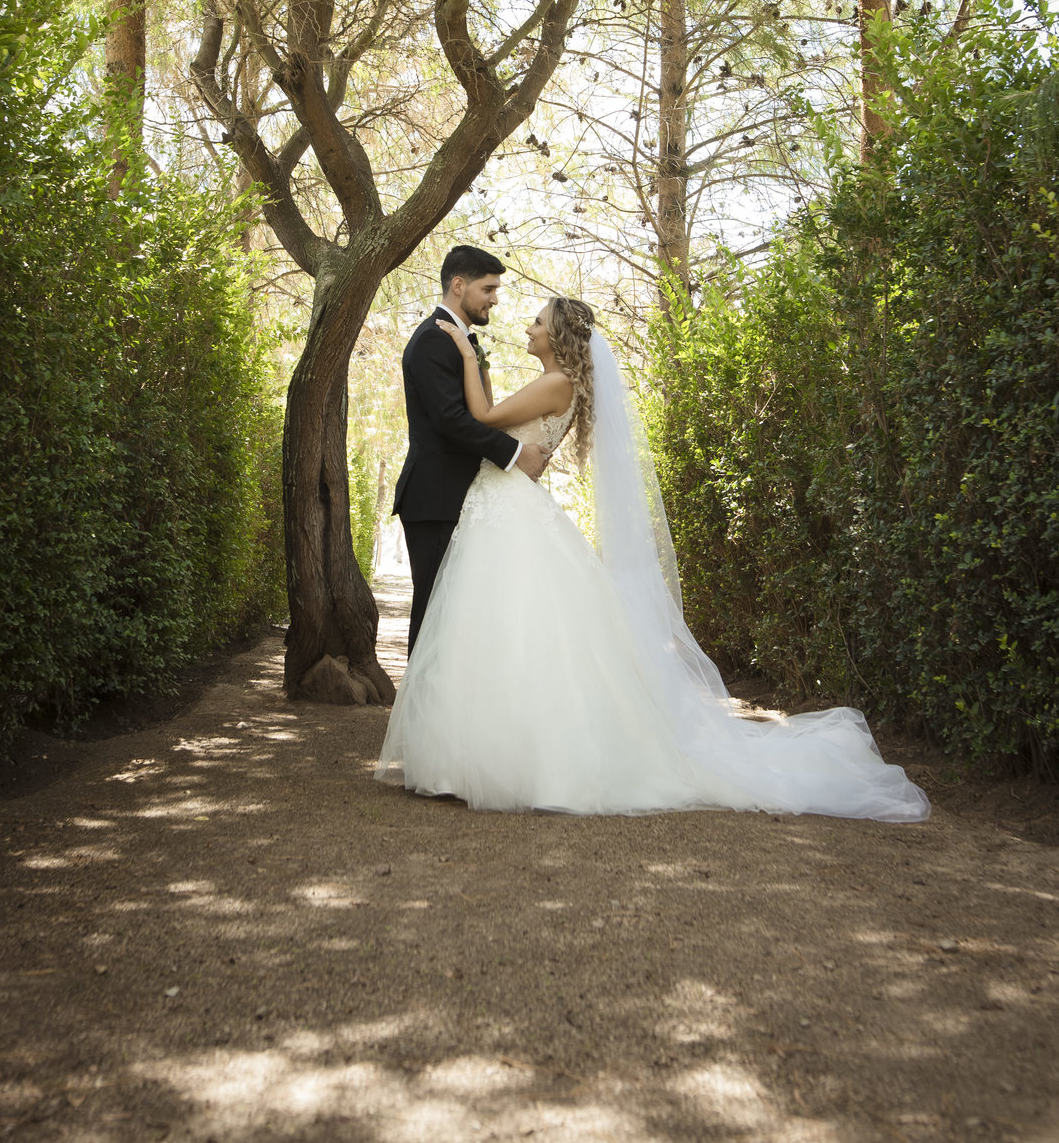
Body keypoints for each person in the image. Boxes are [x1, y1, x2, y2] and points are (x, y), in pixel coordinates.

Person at [377, 295, 930, 822]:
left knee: (514, 627)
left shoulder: (555, 382)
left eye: (538, 322)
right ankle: (481, 751)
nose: (528, 327)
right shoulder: (557, 381)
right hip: (505, 504)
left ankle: (516, 759)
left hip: (509, 509)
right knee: (503, 629)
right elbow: (498, 418)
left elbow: (481, 415)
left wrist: (469, 356)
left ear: (558, 337)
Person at [392, 246, 549, 656]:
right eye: (489, 288)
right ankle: (419, 718)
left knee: (458, 614)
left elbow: (482, 415)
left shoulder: (460, 340)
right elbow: (450, 420)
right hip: (435, 498)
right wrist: (516, 453)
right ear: (458, 286)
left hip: (459, 497)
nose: (495, 298)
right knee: (433, 613)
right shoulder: (431, 340)